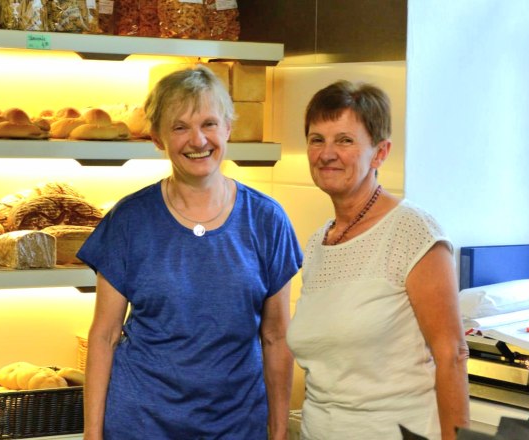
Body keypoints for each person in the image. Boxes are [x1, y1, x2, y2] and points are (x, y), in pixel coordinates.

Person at [78, 65, 303, 440]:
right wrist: (92, 434)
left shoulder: (267, 220)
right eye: (179, 127)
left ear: (229, 127)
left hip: (237, 425)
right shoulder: (130, 220)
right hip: (142, 423)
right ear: (157, 137)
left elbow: (277, 338)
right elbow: (104, 335)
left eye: (209, 124)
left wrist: (278, 433)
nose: (197, 140)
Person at [286, 80, 470, 440]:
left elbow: (452, 354)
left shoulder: (412, 231)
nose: (326, 153)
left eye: (345, 140)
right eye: (316, 139)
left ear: (381, 153)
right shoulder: (320, 241)